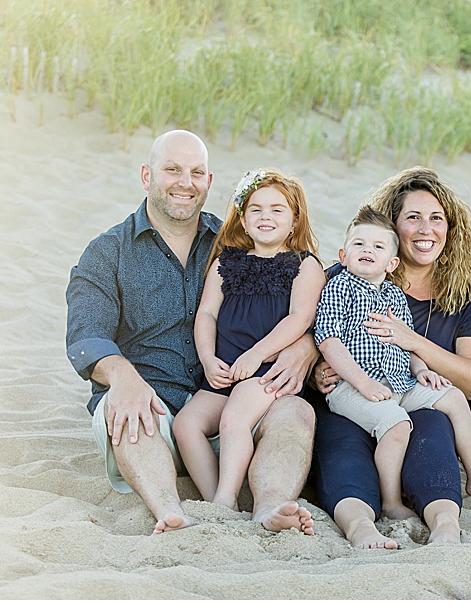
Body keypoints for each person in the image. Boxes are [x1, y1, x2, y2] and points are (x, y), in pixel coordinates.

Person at [65, 131, 317, 535]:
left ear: (209, 182)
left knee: (296, 412)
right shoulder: (108, 251)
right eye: (172, 170)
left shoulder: (235, 244)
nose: (185, 182)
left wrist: (306, 346)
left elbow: (313, 304)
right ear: (147, 175)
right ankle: (170, 510)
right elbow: (84, 333)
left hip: (237, 405)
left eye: (196, 172)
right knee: (132, 410)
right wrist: (121, 376)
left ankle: (269, 508)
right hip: (157, 414)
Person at [310, 167, 471, 549]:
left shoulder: (466, 297)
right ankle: (362, 529)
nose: (426, 229)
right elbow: (315, 328)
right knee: (344, 449)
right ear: (395, 227)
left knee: (433, 428)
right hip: (352, 395)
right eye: (413, 218)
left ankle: (446, 525)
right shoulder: (349, 275)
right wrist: (314, 367)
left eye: (436, 218)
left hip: (407, 391)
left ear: (451, 228)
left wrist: (416, 349)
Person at [171, 169, 325, 515]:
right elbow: (207, 314)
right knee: (186, 425)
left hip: (265, 372)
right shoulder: (226, 263)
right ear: (242, 217)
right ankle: (219, 499)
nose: (265, 217)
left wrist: (257, 354)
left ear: (295, 220)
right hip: (224, 370)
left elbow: (300, 318)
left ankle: (226, 496)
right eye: (255, 209)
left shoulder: (304, 265)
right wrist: (208, 359)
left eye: (277, 210)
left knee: (233, 419)